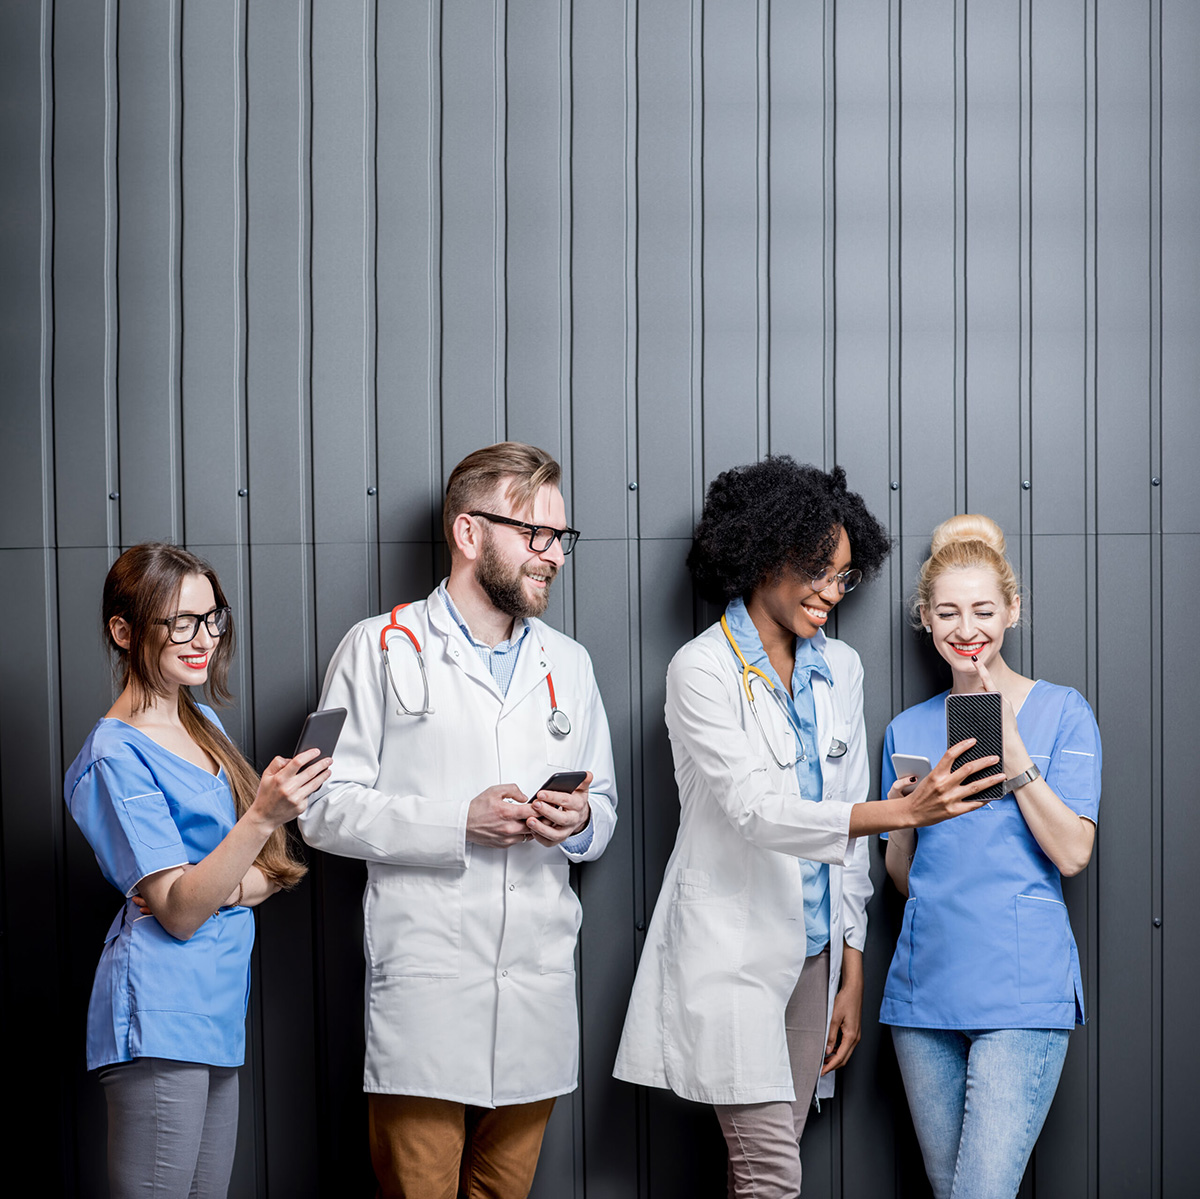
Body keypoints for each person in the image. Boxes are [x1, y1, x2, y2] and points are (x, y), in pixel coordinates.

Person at [613, 458, 1003, 1198]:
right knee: (771, 1173)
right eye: (816, 570)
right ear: (761, 554)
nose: (831, 591)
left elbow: (847, 823)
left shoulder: (842, 669)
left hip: (815, 956)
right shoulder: (700, 670)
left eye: (844, 575)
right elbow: (756, 808)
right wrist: (903, 812)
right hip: (731, 951)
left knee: (764, 1164)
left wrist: (850, 964)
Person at [299, 441, 618, 1199]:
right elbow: (317, 805)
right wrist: (457, 821)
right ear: (469, 533)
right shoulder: (377, 646)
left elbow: (603, 813)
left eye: (561, 538)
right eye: (536, 535)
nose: (555, 556)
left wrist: (573, 820)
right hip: (429, 988)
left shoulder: (569, 663)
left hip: (536, 985)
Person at [64, 543, 330, 1199]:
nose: (203, 637)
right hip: (158, 1009)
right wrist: (256, 825)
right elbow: (181, 914)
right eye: (179, 621)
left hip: (214, 1008)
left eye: (212, 618)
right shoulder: (113, 755)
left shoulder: (202, 721)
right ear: (124, 631)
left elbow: (273, 871)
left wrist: (221, 882)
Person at [879, 514, 1101, 1199]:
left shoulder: (1063, 712)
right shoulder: (907, 728)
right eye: (946, 611)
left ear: (1012, 610)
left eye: (982, 609)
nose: (965, 627)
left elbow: (1073, 852)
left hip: (1021, 995)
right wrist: (904, 817)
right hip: (923, 999)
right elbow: (903, 877)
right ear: (924, 618)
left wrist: (1013, 747)